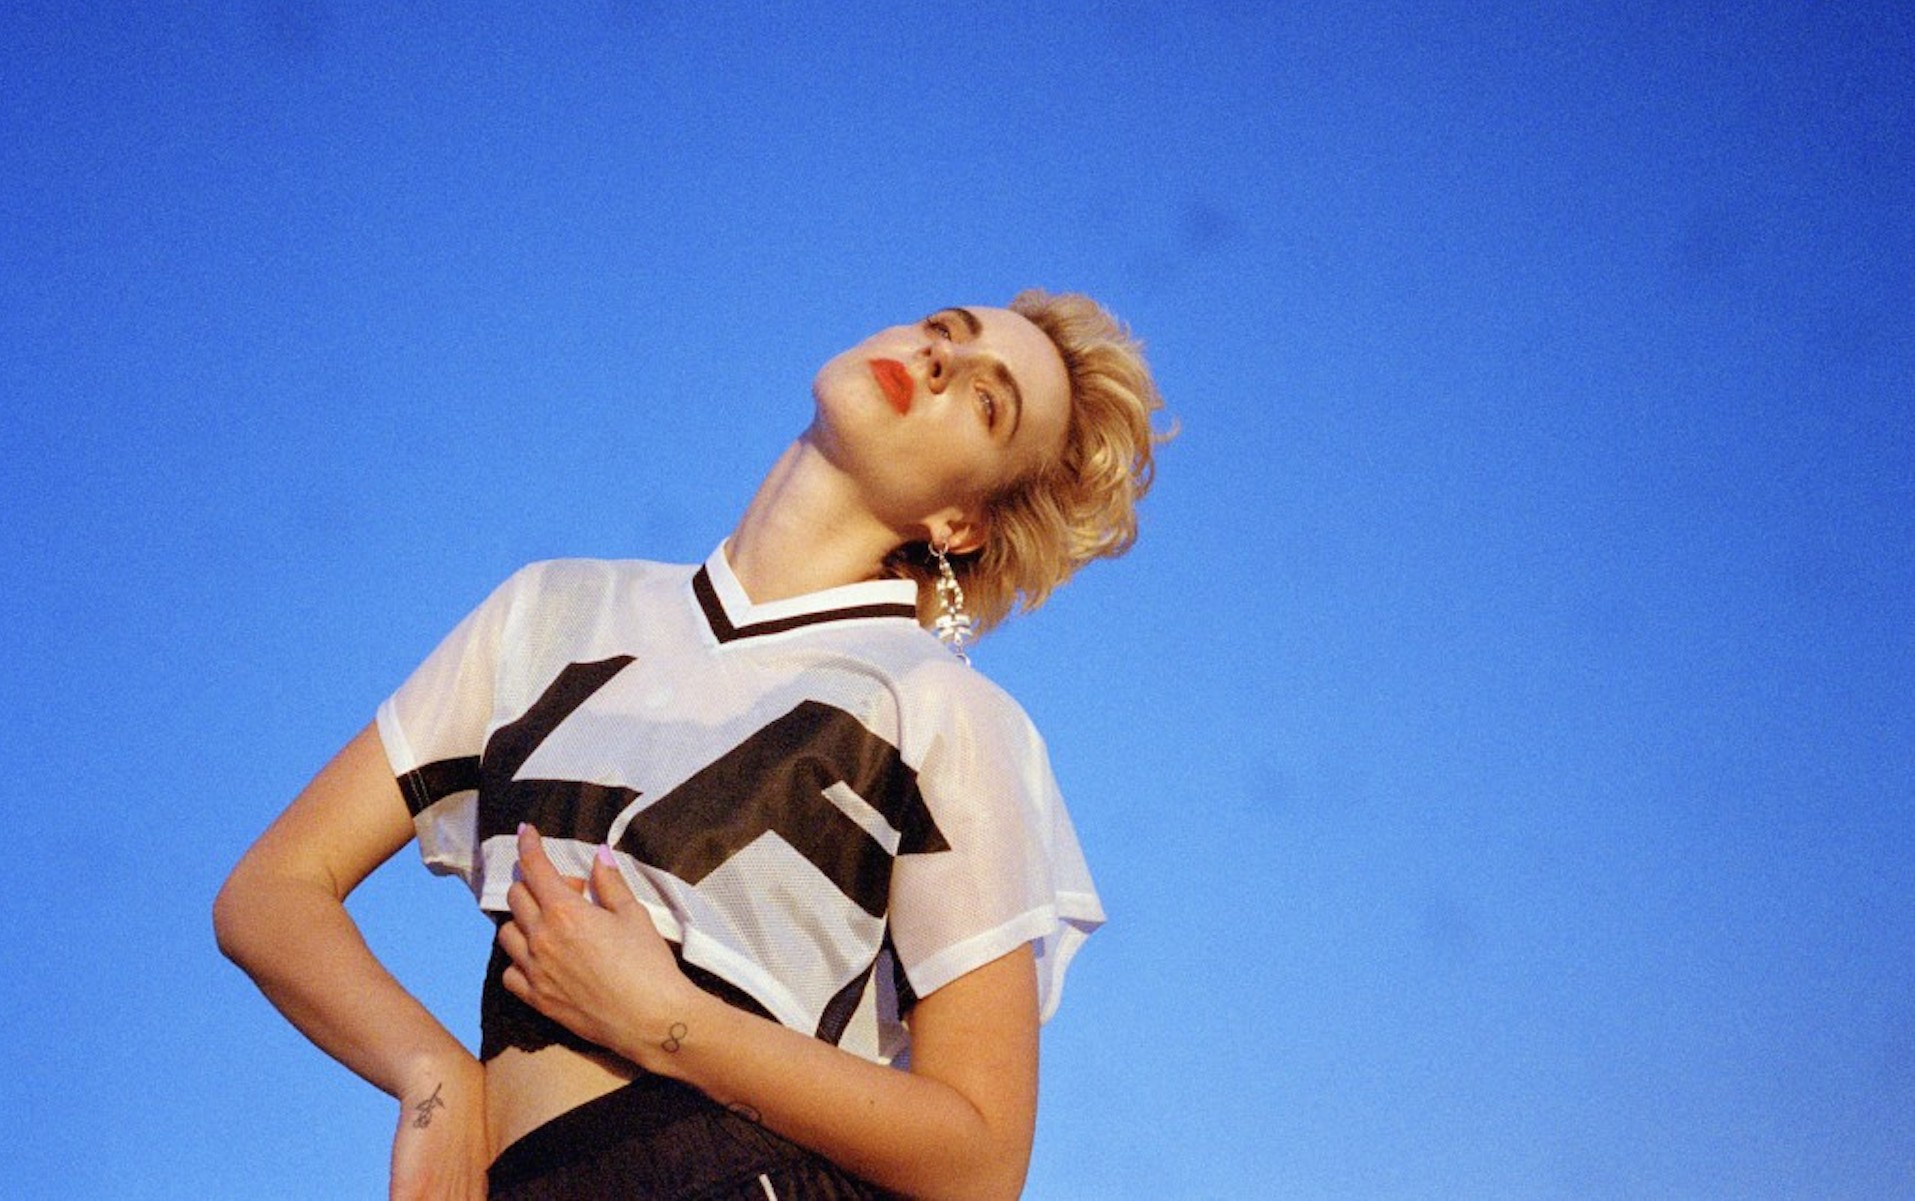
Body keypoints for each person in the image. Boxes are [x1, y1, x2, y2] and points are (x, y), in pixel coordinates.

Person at [214, 290, 1168, 1200]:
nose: (938, 359)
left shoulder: (943, 710)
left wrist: (670, 1022)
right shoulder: (548, 610)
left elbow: (981, 1159)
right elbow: (271, 892)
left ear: (958, 525)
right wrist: (431, 1071)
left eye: (987, 401)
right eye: (943, 328)